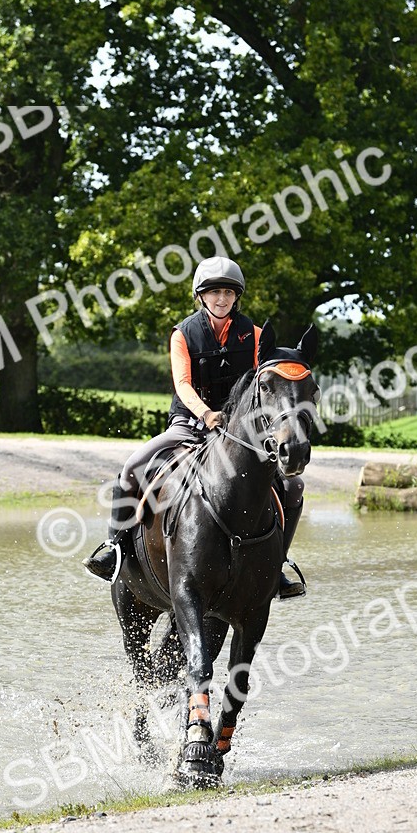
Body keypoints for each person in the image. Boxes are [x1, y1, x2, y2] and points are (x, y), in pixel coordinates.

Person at [83, 256, 307, 597]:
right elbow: (183, 384)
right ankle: (114, 549)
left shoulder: (256, 335)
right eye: (214, 292)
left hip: (241, 432)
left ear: (237, 298)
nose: (222, 299)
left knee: (292, 488)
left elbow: (268, 383)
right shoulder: (183, 334)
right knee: (131, 469)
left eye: (229, 293)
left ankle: (277, 566)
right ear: (201, 296)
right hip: (188, 423)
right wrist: (206, 414)